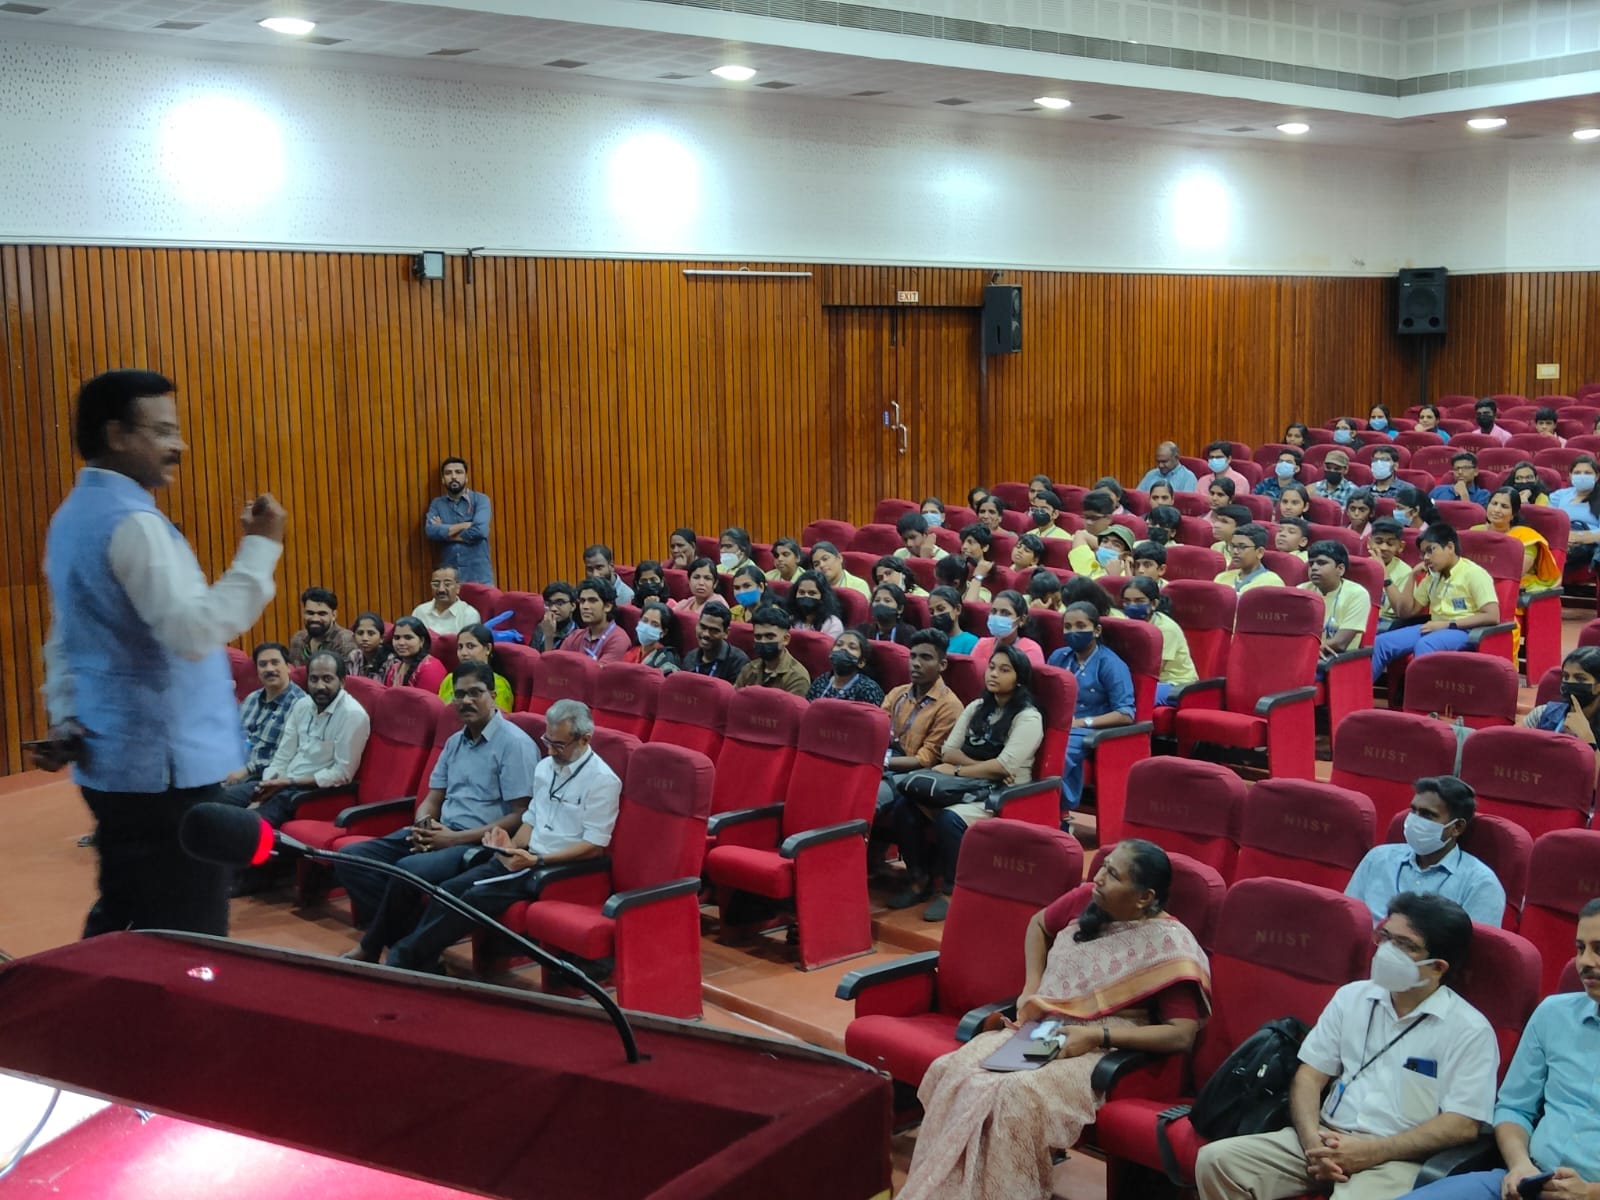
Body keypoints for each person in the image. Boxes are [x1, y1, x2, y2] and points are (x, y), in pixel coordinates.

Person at [35, 370, 284, 938]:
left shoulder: (73, 516)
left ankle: (97, 1021)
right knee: (186, 934)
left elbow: (64, 637)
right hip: (164, 774)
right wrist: (260, 548)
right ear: (118, 434)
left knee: (124, 914)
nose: (179, 446)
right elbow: (195, 633)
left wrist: (67, 715)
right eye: (164, 431)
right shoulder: (136, 525)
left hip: (111, 759)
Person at [899, 841, 1210, 1200]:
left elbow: (1181, 1034)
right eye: (1102, 866)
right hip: (1047, 1027)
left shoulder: (1170, 945)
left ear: (1144, 897)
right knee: (957, 1071)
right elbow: (1038, 925)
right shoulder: (1084, 900)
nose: (1099, 878)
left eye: (1112, 874)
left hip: (1106, 1044)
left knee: (1015, 1095)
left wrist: (1096, 1035)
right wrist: (1032, 986)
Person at [1195, 893, 1497, 1200]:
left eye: (1405, 945)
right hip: (1324, 1138)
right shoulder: (1352, 997)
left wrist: (1371, 1152)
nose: (1387, 950)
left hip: (1397, 1158)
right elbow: (1310, 1076)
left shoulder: (1470, 1030)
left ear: (1438, 967)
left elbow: (1462, 1125)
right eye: (1386, 937)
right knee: (1216, 1162)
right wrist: (1313, 1144)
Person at [382, 699, 622, 974]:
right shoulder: (545, 768)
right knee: (448, 890)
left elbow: (593, 847)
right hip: (524, 858)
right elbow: (531, 819)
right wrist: (509, 845)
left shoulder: (603, 781)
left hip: (557, 868)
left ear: (584, 739)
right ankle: (422, 961)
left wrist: (536, 860)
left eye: (559, 745)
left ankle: (403, 958)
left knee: (472, 898)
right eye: (548, 740)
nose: (551, 750)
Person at [1396, 899, 1600, 1200]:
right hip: (1527, 1182)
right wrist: (1520, 1165)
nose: (1585, 962)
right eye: (1580, 948)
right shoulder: (1552, 1015)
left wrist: (1591, 1193)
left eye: (1599, 949)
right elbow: (1514, 1107)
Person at [336, 662, 538, 965]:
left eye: (475, 693)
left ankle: (377, 945)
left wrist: (453, 840)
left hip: (477, 844)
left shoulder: (514, 744)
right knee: (351, 861)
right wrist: (423, 826)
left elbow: (520, 815)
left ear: (493, 695)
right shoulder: (456, 741)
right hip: (441, 831)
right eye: (459, 695)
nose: (466, 701)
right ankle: (417, 943)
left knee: (406, 872)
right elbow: (433, 797)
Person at [885, 645, 1043, 922]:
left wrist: (961, 769)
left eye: (1004, 670)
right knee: (904, 806)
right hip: (964, 783)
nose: (993, 674)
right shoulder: (977, 707)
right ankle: (919, 878)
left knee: (950, 819)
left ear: (1019, 678)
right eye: (992, 667)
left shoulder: (1028, 717)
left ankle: (951, 890)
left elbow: (1005, 767)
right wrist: (973, 769)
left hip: (1002, 793)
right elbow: (948, 751)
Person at [1344, 777, 1506, 926]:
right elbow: (1347, 919)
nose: (1415, 820)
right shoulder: (1378, 858)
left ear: (1457, 827)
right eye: (1413, 811)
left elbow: (1471, 953)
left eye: (1428, 815)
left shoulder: (1480, 884)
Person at [246, 651, 371, 828]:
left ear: (342, 681)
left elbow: (342, 774)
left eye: (327, 679)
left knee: (245, 827)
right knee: (222, 801)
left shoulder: (353, 715)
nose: (320, 686)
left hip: (307, 792)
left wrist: (288, 782)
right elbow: (282, 756)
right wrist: (268, 784)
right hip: (280, 782)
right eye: (314, 679)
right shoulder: (303, 705)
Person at [1370, 524, 1501, 683]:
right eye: (1423, 553)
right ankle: (1359, 699)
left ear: (1450, 547)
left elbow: (1493, 615)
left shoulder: (1474, 574)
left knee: (1425, 645)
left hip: (1465, 630)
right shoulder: (1432, 576)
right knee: (1381, 643)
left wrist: (1448, 625)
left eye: (1431, 550)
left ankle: (1418, 702)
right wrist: (1411, 576)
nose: (1426, 557)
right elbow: (1405, 612)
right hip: (1433, 627)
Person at [1047, 602, 1135, 811]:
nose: (1073, 632)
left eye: (1080, 625)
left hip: (1086, 729)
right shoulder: (1059, 657)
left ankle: (1060, 812)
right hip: (1056, 724)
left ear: (1096, 630)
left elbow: (1125, 714)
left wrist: (1082, 722)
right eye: (1067, 627)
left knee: (1057, 752)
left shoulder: (1111, 664)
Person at [876, 629, 964, 810]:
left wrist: (879, 762)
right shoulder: (897, 693)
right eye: (913, 656)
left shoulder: (949, 706)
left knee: (867, 796)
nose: (916, 663)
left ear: (942, 665)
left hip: (914, 773)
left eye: (925, 658)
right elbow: (876, 733)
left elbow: (925, 760)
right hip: (884, 762)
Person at [220, 642, 305, 809]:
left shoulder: (300, 705)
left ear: (288, 667)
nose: (269, 669)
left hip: (264, 779)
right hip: (233, 769)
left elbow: (287, 757)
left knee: (213, 800)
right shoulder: (252, 698)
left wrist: (245, 770)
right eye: (263, 664)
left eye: (275, 662)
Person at [1122, 576, 1196, 703]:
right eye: (1127, 601)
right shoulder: (1125, 624)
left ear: (1154, 604)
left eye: (1139, 601)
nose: (1132, 606)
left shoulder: (1166, 629)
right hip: (1144, 679)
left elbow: (1154, 670)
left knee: (1135, 697)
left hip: (1175, 684)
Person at [1301, 541, 1372, 672]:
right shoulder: (1300, 591)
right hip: (1304, 657)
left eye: (1321, 563)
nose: (1314, 568)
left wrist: (1306, 653)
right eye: (1311, 564)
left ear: (1340, 569)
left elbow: (1340, 643)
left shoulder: (1357, 594)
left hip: (1333, 662)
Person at [1475, 487, 1559, 595]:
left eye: (1504, 506)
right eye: (1494, 503)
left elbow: (1516, 572)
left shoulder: (1526, 537)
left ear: (1514, 514)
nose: (1496, 510)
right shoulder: (1475, 531)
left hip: (1510, 589)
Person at [425, 456, 493, 584]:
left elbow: (480, 531)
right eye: (448, 473)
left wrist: (445, 533)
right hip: (450, 580)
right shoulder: (437, 504)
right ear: (443, 480)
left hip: (479, 576)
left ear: (466, 477)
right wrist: (466, 525)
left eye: (458, 472)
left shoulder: (481, 500)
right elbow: (431, 531)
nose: (454, 476)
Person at [1523, 646, 1600, 744]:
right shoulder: (1539, 715)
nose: (1570, 682)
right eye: (1566, 677)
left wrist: (1587, 738)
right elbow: (1520, 755)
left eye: (1580, 678)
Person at [732, 604, 811, 696]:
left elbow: (790, 710)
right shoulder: (749, 668)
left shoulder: (797, 677)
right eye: (758, 637)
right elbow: (734, 700)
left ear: (786, 639)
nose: (763, 641)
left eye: (769, 637)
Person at [439, 623, 514, 711]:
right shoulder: (449, 679)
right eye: (460, 647)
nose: (463, 653)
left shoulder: (499, 685)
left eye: (470, 646)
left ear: (488, 649)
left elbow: (498, 720)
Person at [1548, 455, 1600, 573]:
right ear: (1570, 476)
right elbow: (1549, 523)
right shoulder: (1559, 495)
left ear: (1596, 476)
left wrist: (1579, 537)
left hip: (1586, 544)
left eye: (1587, 473)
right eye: (1577, 472)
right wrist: (1563, 537)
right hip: (1559, 538)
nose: (1582, 476)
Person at [970, 589, 1045, 669]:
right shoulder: (982, 644)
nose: (997, 617)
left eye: (1005, 613)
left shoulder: (1030, 650)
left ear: (1022, 620)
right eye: (993, 611)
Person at [806, 630, 884, 705]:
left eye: (852, 647)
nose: (843, 648)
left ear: (861, 662)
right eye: (839, 645)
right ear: (831, 654)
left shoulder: (868, 689)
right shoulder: (821, 681)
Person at [288, 587, 358, 665]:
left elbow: (345, 676)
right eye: (310, 613)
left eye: (322, 614)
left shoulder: (345, 640)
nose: (315, 619)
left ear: (334, 615)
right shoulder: (298, 639)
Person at [679, 602, 749, 681]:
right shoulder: (690, 658)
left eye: (714, 630)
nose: (706, 634)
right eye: (702, 627)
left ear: (726, 633)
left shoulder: (738, 662)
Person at [1367, 518, 1413, 633]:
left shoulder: (1406, 572)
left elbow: (1401, 612)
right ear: (1369, 543)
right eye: (1378, 542)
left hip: (1388, 623)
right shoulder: (1361, 567)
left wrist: (1384, 573)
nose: (1384, 548)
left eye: (1390, 543)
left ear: (1400, 546)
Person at [411, 565, 482, 635]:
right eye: (436, 584)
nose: (441, 589)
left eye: (447, 584)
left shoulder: (469, 614)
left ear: (458, 588)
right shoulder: (420, 612)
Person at [1216, 523, 1287, 593]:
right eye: (1233, 546)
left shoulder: (1272, 583)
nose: (1235, 551)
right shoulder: (1222, 577)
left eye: (1242, 547)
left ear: (1259, 552)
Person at [384, 615, 448, 692]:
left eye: (408, 637)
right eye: (397, 638)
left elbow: (425, 703)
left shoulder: (431, 667)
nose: (401, 643)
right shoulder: (394, 667)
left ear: (421, 641)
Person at [624, 601, 682, 675]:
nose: (646, 628)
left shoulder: (666, 659)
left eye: (655, 625)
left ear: (663, 632)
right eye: (644, 621)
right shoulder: (633, 651)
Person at [788, 569, 845, 638]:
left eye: (812, 593)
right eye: (801, 592)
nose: (806, 596)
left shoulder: (833, 624)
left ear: (823, 596)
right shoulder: (790, 620)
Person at [1069, 523, 1137, 579]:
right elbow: (1080, 534)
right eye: (1105, 541)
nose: (1107, 546)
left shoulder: (1125, 575)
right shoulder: (1089, 560)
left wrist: (1114, 576)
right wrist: (1101, 548)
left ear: (1124, 554)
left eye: (1116, 545)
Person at [928, 587, 978, 655]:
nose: (935, 614)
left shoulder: (971, 642)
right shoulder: (928, 639)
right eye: (931, 612)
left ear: (957, 609)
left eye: (941, 609)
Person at [531, 582, 577, 652]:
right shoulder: (541, 627)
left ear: (573, 606)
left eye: (560, 603)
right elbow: (532, 658)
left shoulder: (577, 635)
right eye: (548, 604)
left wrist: (549, 637)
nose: (553, 608)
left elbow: (552, 661)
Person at [347, 612, 391, 680]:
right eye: (360, 633)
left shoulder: (390, 662)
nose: (365, 638)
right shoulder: (354, 656)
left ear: (382, 638)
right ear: (354, 637)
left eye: (371, 633)